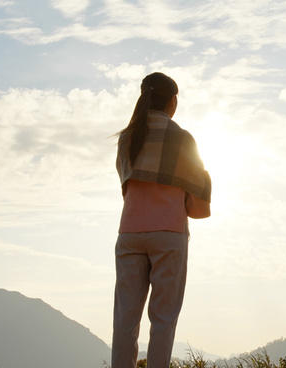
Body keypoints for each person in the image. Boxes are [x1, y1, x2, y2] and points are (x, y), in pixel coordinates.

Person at [112, 72, 211, 368]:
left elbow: (127, 186)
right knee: (163, 319)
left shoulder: (127, 139)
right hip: (168, 234)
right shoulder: (182, 138)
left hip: (129, 232)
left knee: (124, 321)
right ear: (172, 101)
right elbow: (198, 206)